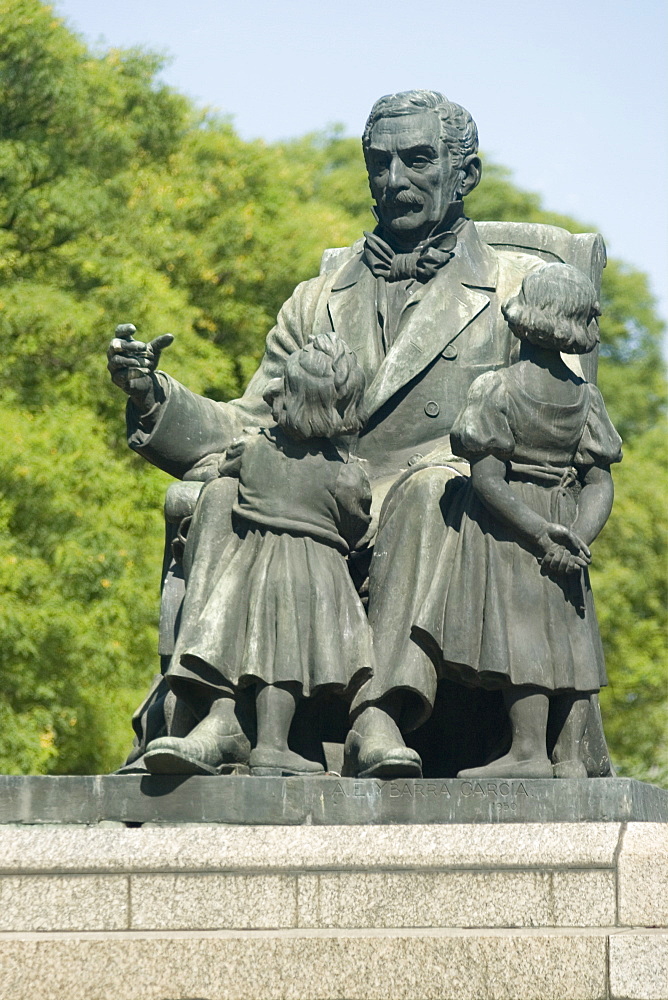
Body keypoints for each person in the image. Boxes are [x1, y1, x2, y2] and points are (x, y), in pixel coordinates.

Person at [108, 90, 586, 777]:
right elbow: (250, 423)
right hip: (325, 500)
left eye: (418, 160)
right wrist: (153, 394)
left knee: (433, 491)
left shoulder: (522, 287)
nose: (395, 182)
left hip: (446, 502)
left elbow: (559, 422)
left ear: (465, 174)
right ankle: (218, 716)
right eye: (380, 163)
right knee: (220, 496)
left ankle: (379, 716)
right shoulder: (318, 296)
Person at [412, 263, 622, 778]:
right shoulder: (586, 397)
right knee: (569, 638)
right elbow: (600, 482)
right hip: (566, 522)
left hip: (514, 527)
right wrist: (576, 537)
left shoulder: (496, 388)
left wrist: (538, 533)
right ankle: (569, 756)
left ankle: (527, 751)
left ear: (525, 312)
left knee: (524, 634)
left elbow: (486, 479)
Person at [143, 334, 374, 776]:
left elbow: (226, 467)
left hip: (253, 569)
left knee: (262, 646)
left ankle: (225, 714)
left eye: (281, 389)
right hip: (318, 575)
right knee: (286, 660)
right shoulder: (346, 476)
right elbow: (356, 524)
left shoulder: (250, 451)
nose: (270, 393)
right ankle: (268, 744)